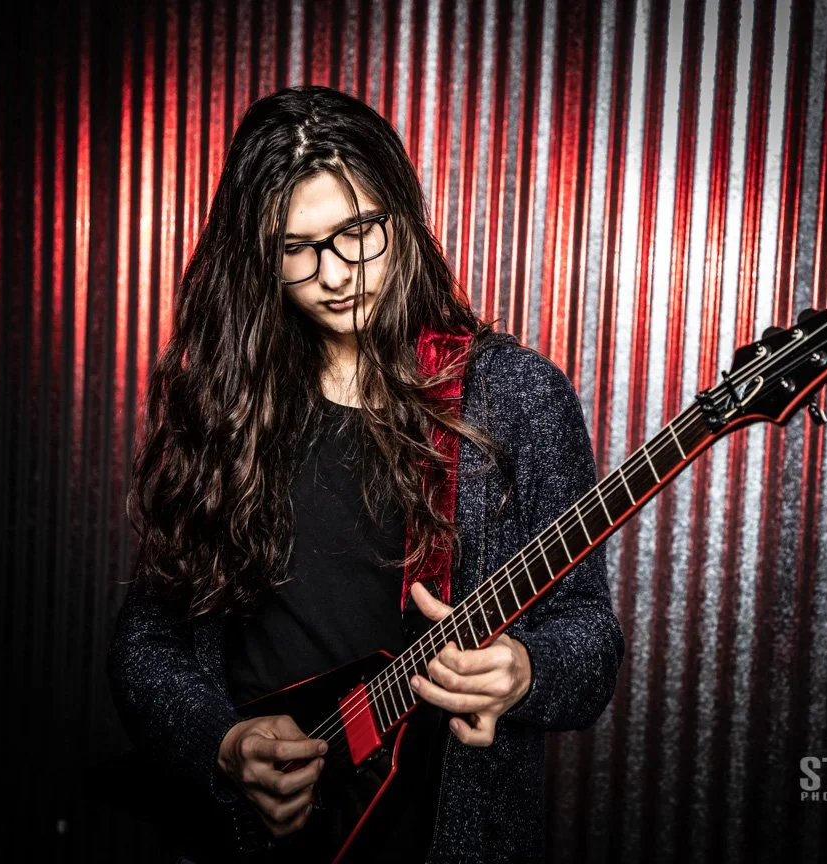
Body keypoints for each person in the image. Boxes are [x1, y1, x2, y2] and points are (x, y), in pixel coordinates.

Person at [107, 84, 623, 864]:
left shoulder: (515, 397)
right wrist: (224, 744)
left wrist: (525, 669)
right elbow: (145, 641)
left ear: (403, 217)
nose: (336, 273)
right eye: (298, 249)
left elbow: (590, 637)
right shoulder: (227, 406)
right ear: (260, 257)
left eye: (358, 233)